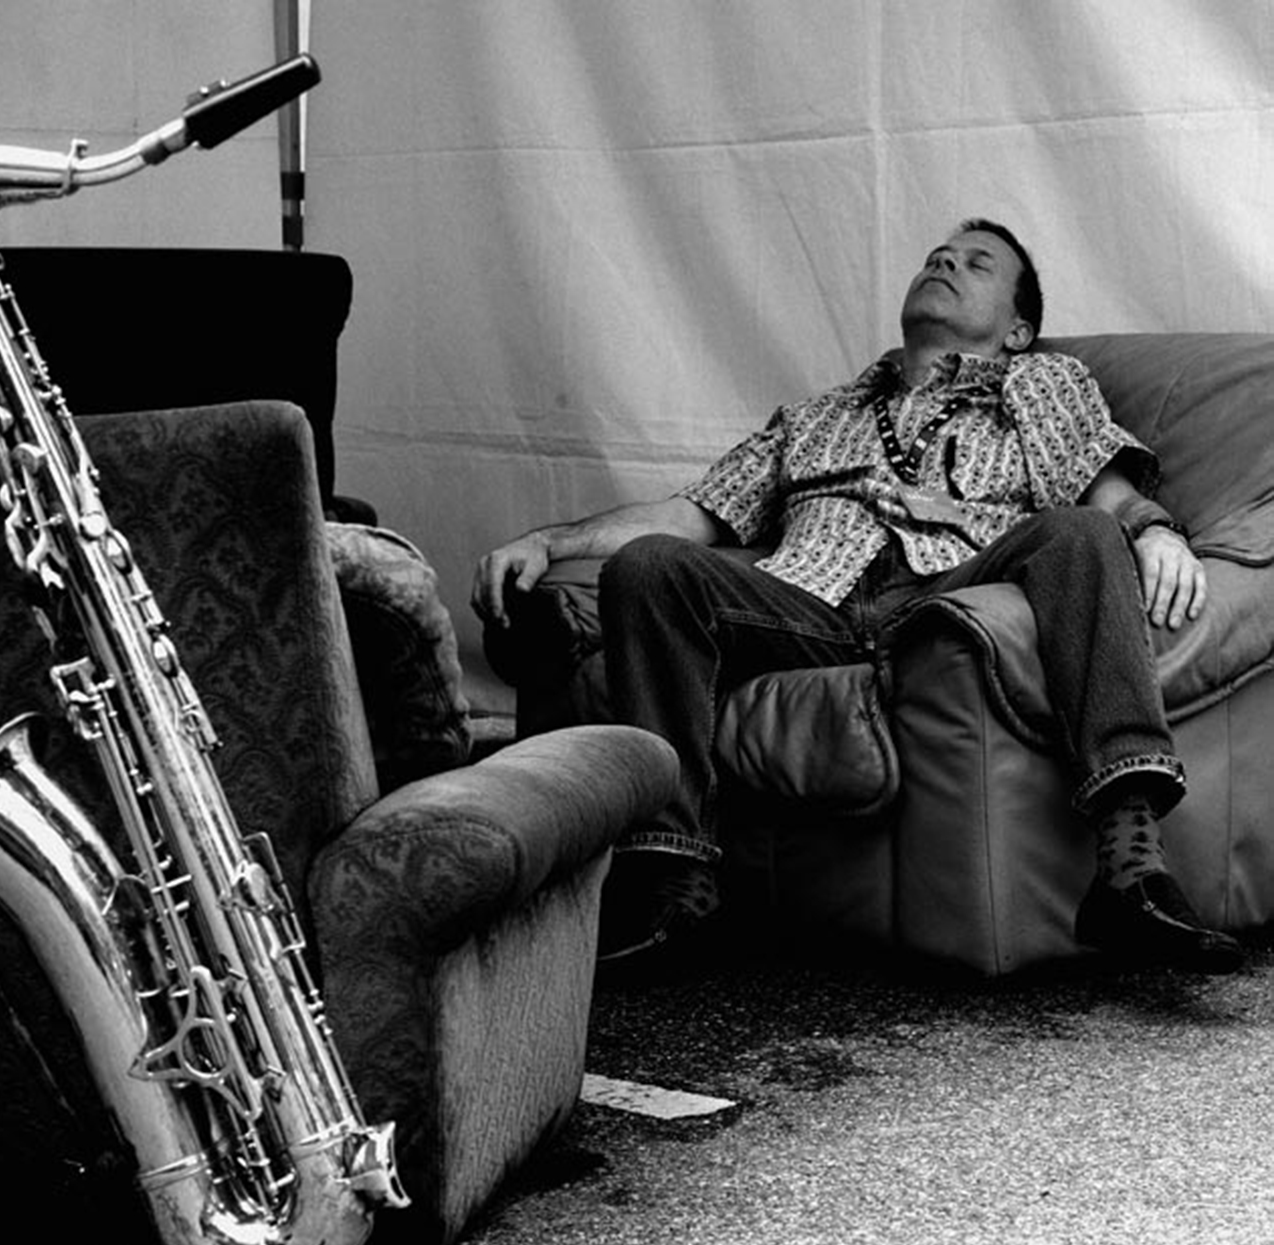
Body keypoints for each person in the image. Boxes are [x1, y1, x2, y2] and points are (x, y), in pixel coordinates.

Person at [471, 219, 1244, 977]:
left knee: (1078, 532)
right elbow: (686, 515)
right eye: (938, 255)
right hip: (809, 605)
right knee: (649, 566)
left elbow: (1102, 493)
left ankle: (1131, 861)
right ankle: (675, 880)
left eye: (977, 263)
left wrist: (1154, 532)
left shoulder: (1041, 382)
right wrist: (550, 541)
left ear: (1017, 330)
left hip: (951, 594)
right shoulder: (815, 417)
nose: (945, 263)